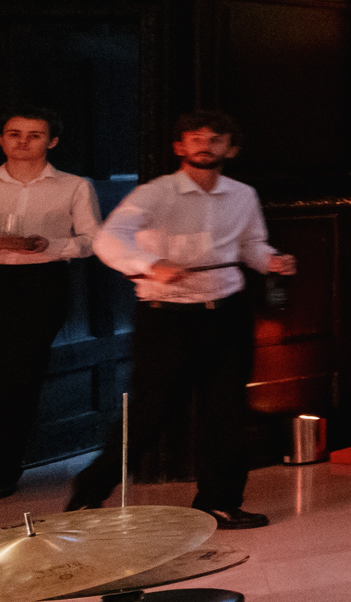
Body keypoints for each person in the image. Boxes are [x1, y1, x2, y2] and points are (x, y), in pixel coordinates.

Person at [70, 107, 294, 529]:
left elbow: (251, 246)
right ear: (180, 146)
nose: (205, 146)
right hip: (167, 318)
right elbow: (107, 239)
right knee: (150, 413)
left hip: (227, 315)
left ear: (231, 147)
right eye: (196, 138)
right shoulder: (155, 193)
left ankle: (219, 501)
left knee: (226, 413)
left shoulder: (242, 194)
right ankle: (88, 494)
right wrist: (149, 264)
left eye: (215, 139)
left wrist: (272, 261)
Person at [0, 106, 100, 500]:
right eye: (14, 133)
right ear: (3, 139)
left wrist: (52, 245)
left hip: (40, 283)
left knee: (18, 377)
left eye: (34, 135)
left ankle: (6, 469)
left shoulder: (74, 185)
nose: (22, 142)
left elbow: (94, 240)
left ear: (52, 141)